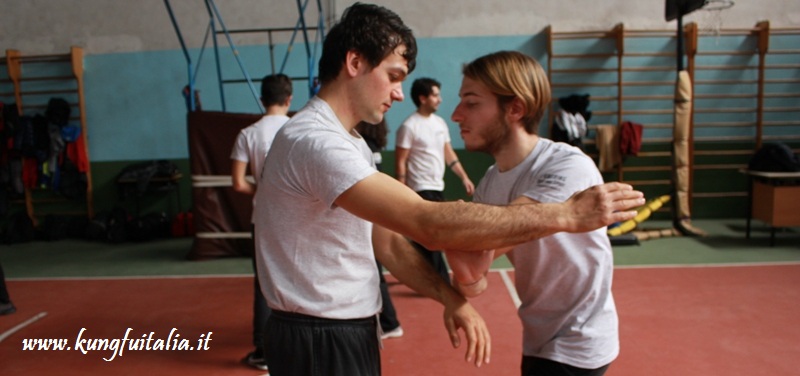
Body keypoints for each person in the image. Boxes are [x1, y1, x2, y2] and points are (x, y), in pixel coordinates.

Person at [253, 3, 643, 375]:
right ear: (355, 63)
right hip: (318, 335)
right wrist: (566, 214)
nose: (399, 94)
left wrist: (450, 295)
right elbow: (428, 224)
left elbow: (387, 242)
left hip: (344, 328)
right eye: (392, 76)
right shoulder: (317, 142)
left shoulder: (350, 142)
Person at [446, 51, 620, 376]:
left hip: (578, 340)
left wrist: (450, 232)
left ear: (515, 109)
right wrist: (466, 279)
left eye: (471, 103)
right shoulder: (489, 184)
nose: (456, 115)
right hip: (538, 337)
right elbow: (474, 278)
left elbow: (514, 224)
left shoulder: (568, 166)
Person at [229, 73, 293, 371]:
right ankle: (297, 345)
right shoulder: (299, 129)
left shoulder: (248, 134)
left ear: (262, 99)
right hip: (297, 218)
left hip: (264, 219)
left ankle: (265, 351)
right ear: (289, 99)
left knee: (265, 284)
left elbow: (239, 184)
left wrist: (264, 190)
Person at [395, 77, 475, 284]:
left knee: (427, 238)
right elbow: (401, 161)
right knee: (434, 235)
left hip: (437, 186)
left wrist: (464, 177)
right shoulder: (409, 126)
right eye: (435, 95)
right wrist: (403, 190)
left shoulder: (440, 123)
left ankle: (417, 274)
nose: (440, 99)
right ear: (423, 98)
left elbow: (449, 154)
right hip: (420, 188)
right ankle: (440, 281)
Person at [356, 119, 404, 340]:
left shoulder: (363, 147)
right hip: (374, 216)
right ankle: (387, 321)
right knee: (374, 269)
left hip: (370, 217)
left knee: (374, 270)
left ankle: (389, 321)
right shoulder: (373, 146)